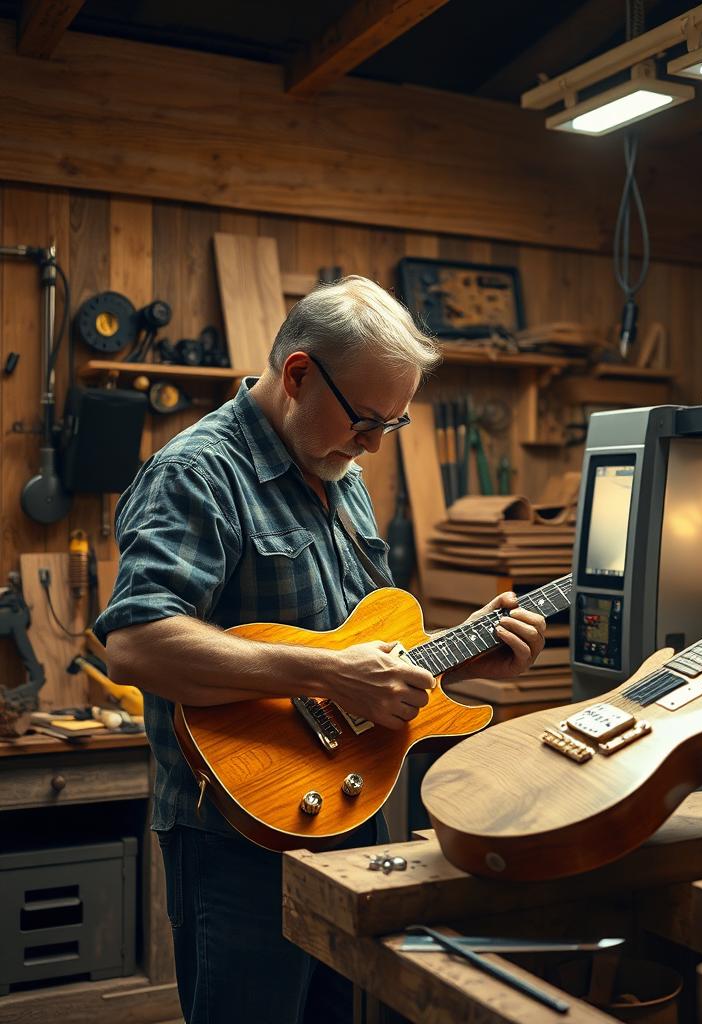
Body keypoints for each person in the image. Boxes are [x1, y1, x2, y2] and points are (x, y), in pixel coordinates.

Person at [96, 276, 547, 1024]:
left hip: (349, 813)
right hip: (236, 841)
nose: (373, 443)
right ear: (299, 375)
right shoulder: (199, 474)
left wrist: (463, 653)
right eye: (367, 419)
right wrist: (330, 670)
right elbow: (136, 646)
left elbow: (363, 650)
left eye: (391, 425)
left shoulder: (342, 474)